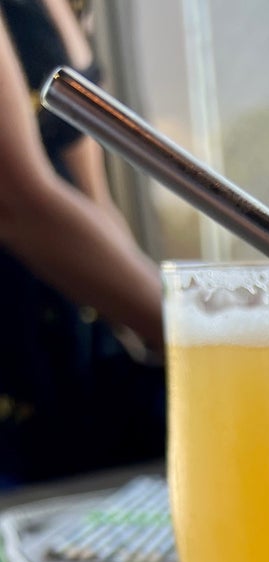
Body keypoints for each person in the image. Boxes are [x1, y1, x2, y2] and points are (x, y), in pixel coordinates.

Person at [0, 0, 166, 485]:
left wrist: (156, 338)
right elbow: (17, 206)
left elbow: (97, 202)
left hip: (77, 355)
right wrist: (205, 333)